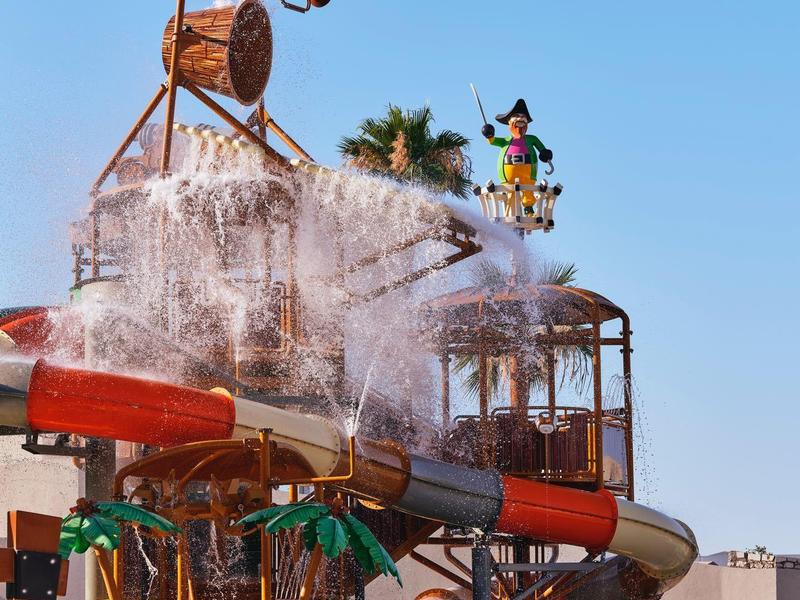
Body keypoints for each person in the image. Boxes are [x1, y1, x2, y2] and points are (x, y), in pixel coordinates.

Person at [481, 99, 553, 217]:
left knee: (528, 193)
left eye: (523, 118)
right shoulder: (505, 141)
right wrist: (489, 133)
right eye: (516, 117)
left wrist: (546, 154)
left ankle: (529, 211)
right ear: (510, 123)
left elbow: (542, 150)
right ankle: (509, 214)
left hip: (528, 175)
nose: (520, 120)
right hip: (508, 177)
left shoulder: (532, 139)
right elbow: (492, 141)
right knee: (511, 194)